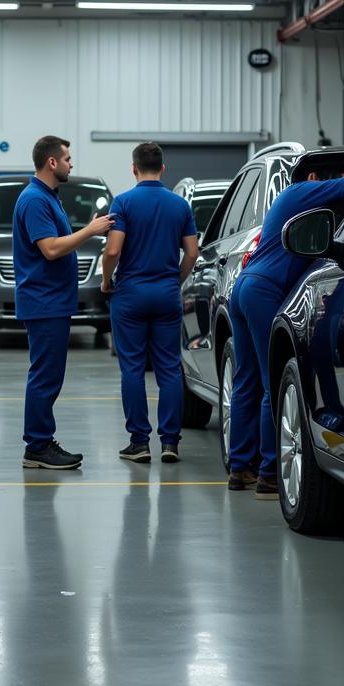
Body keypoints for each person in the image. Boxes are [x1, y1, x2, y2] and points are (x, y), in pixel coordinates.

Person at [228, 166, 344, 500]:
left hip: (247, 287)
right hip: (263, 291)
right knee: (273, 383)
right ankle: (268, 474)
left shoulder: (296, 211)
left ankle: (239, 469)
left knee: (246, 380)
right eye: (323, 182)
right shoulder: (299, 192)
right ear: (312, 178)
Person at [13, 135, 114, 469]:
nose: (72, 164)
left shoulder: (48, 198)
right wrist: (90, 229)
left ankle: (40, 442)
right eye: (68, 159)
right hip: (44, 302)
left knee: (49, 374)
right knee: (45, 375)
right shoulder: (34, 201)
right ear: (52, 162)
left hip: (52, 301)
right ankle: (38, 447)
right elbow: (51, 248)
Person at [101, 142, 200, 464]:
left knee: (132, 368)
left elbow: (113, 250)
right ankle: (170, 442)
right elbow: (193, 253)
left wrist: (106, 280)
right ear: (163, 168)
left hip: (130, 294)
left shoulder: (124, 203)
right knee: (170, 368)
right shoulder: (179, 205)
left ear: (134, 168)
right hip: (166, 293)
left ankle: (139, 443)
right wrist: (177, 279)